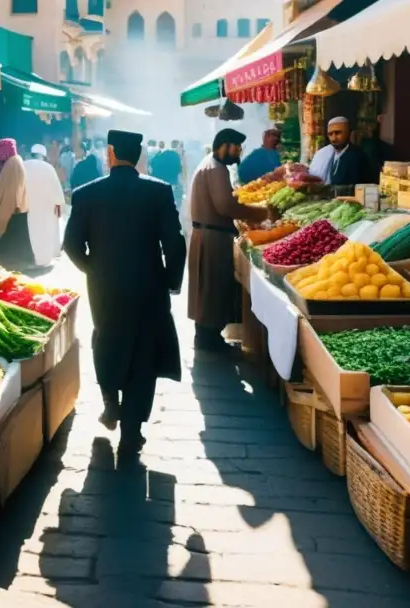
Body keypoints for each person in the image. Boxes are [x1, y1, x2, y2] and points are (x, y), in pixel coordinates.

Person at [63, 129, 186, 456]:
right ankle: (132, 431)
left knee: (106, 339)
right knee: (143, 353)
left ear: (111, 153)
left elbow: (72, 245)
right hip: (148, 286)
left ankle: (110, 402)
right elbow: (175, 243)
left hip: (105, 288)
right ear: (140, 156)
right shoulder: (159, 192)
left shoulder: (87, 194)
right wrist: (172, 281)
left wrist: (95, 269)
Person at [188, 128, 272, 353]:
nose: (239, 152)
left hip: (208, 234)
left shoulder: (211, 164)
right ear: (224, 145)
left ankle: (208, 337)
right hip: (212, 237)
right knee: (212, 289)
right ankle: (209, 340)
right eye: (236, 147)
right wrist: (262, 214)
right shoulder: (216, 169)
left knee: (209, 289)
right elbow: (226, 206)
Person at [0, 139, 35, 269]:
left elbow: (11, 193)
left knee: (5, 252)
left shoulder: (12, 164)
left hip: (12, 211)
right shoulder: (14, 161)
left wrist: (2, 216)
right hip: (17, 210)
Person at [25, 144, 65, 268]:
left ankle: (31, 259)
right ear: (43, 155)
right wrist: (59, 204)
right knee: (45, 232)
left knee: (31, 232)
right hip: (46, 208)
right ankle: (44, 259)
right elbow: (57, 190)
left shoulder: (23, 165)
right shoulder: (48, 168)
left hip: (28, 206)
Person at [309, 116, 373, 187]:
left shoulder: (356, 156)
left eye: (338, 133)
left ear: (348, 133)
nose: (334, 138)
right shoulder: (329, 153)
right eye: (330, 134)